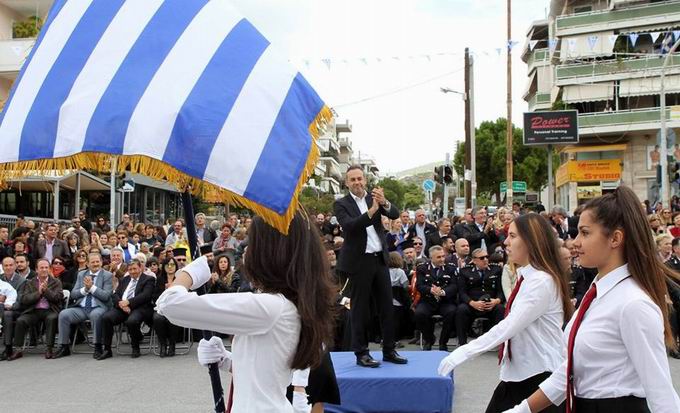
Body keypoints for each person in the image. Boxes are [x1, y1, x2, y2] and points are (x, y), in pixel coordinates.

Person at [503, 186, 680, 413]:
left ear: (615, 238)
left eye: (585, 233)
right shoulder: (598, 291)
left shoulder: (633, 304)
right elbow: (570, 371)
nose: (575, 242)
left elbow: (661, 393)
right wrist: (520, 411)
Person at [155, 212, 336, 412]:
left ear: (271, 252)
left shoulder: (270, 307)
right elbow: (264, 372)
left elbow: (170, 304)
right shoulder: (282, 305)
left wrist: (188, 273)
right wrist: (225, 360)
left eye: (254, 243)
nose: (247, 251)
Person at [439, 213, 573, 413]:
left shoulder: (540, 281)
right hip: (521, 375)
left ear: (531, 241)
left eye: (513, 236)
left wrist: (464, 352)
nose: (506, 242)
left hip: (538, 376)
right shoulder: (529, 277)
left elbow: (510, 325)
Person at [333, 165, 408, 367]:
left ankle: (389, 349)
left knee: (386, 306)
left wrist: (383, 202)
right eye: (352, 179)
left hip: (379, 259)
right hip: (359, 262)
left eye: (359, 178)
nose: (357, 182)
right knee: (360, 310)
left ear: (365, 180)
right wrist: (372, 211)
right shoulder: (341, 204)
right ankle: (361, 353)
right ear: (347, 182)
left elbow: (394, 214)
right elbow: (350, 226)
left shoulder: (373, 197)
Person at [53, 252, 113, 359]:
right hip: (81, 308)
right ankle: (64, 346)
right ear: (88, 264)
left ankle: (98, 346)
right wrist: (85, 289)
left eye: (97, 261)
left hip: (99, 307)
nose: (95, 264)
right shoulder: (81, 274)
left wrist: (92, 288)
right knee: (64, 314)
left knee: (96, 315)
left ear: (101, 262)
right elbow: (73, 294)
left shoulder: (107, 275)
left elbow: (106, 296)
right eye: (92, 262)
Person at [99, 259, 155, 360]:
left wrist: (129, 302)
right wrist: (121, 304)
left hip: (140, 308)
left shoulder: (148, 279)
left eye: (135, 269)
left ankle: (135, 347)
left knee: (132, 321)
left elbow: (145, 296)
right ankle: (107, 349)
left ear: (140, 268)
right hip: (122, 308)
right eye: (130, 269)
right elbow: (115, 294)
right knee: (106, 318)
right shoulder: (125, 279)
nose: (132, 271)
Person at [8, 258, 63, 360]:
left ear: (49, 269)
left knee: (51, 319)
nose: (44, 269)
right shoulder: (30, 282)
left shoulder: (56, 282)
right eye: (41, 267)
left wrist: (46, 291)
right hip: (33, 310)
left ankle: (49, 348)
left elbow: (58, 298)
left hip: (50, 310)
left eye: (46, 267)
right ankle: (18, 349)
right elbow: (25, 299)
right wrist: (39, 293)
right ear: (36, 269)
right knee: (21, 320)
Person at [456, 248, 505, 345]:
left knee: (500, 309)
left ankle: (496, 343)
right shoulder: (465, 271)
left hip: (491, 304)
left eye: (487, 257)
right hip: (473, 304)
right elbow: (462, 293)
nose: (486, 260)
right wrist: (472, 303)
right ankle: (462, 343)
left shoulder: (496, 270)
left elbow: (501, 291)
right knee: (461, 309)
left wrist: (496, 301)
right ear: (474, 260)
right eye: (482, 258)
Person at [414, 246, 458, 351]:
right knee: (419, 313)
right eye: (439, 257)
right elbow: (419, 286)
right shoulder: (422, 268)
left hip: (445, 301)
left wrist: (443, 292)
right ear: (431, 258)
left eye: (443, 256)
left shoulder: (450, 268)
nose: (442, 259)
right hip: (428, 300)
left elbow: (454, 286)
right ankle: (429, 339)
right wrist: (430, 290)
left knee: (452, 312)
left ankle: (443, 342)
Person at [153, 257, 182, 357]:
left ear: (176, 266)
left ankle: (172, 345)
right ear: (164, 267)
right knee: (157, 319)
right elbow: (155, 297)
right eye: (167, 265)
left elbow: (185, 294)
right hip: (161, 307)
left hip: (176, 306)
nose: (170, 267)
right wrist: (164, 291)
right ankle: (163, 344)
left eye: (172, 265)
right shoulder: (160, 279)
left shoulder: (180, 278)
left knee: (173, 318)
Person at [0, 257, 26, 360]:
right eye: (6, 265)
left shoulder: (22, 281)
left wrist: (8, 304)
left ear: (15, 266)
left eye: (11, 265)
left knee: (7, 314)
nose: (8, 267)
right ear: (2, 267)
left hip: (15, 310)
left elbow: (19, 301)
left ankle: (8, 347)